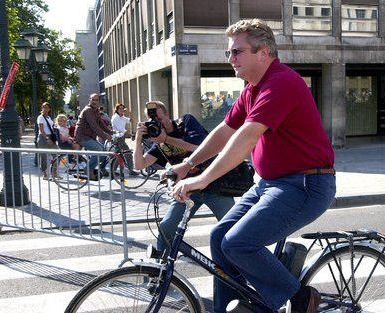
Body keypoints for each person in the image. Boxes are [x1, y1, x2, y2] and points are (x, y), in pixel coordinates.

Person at [171, 19, 336, 313]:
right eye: (229, 53)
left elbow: (246, 137)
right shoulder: (252, 89)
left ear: (263, 53)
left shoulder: (281, 83)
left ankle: (300, 297)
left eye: (237, 52)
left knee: (238, 243)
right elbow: (225, 131)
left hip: (304, 185)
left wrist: (203, 179)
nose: (231, 59)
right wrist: (188, 164)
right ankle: (233, 307)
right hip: (271, 184)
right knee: (219, 237)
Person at [133, 100, 235, 253]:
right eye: (152, 121)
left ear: (167, 114)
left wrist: (166, 139)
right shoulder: (159, 141)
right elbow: (139, 165)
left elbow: (199, 147)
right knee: (166, 227)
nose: (157, 123)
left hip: (214, 185)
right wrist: (138, 139)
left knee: (233, 228)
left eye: (159, 119)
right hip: (186, 191)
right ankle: (161, 270)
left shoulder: (186, 122)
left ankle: (240, 268)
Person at [74, 93, 113, 180]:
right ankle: (88, 169)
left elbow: (101, 124)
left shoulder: (96, 111)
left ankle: (101, 168)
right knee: (99, 150)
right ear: (89, 100)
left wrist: (111, 132)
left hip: (89, 137)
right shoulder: (88, 110)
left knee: (103, 151)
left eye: (96, 100)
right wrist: (106, 136)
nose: (94, 101)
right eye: (93, 100)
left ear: (99, 101)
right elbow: (94, 126)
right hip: (82, 137)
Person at [111, 103, 138, 175]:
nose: (122, 110)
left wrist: (130, 113)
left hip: (121, 138)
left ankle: (112, 171)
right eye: (120, 109)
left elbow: (131, 120)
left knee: (118, 155)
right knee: (126, 154)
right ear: (116, 110)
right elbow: (121, 129)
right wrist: (131, 135)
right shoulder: (115, 118)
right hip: (117, 138)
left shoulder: (122, 117)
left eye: (123, 109)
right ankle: (130, 170)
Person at [36, 102, 58, 180]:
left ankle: (54, 173)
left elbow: (51, 127)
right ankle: (45, 174)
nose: (45, 109)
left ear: (49, 109)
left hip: (50, 137)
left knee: (57, 155)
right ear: (42, 108)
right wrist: (47, 138)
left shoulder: (49, 117)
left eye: (47, 107)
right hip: (43, 138)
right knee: (44, 157)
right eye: (43, 107)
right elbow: (41, 129)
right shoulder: (40, 117)